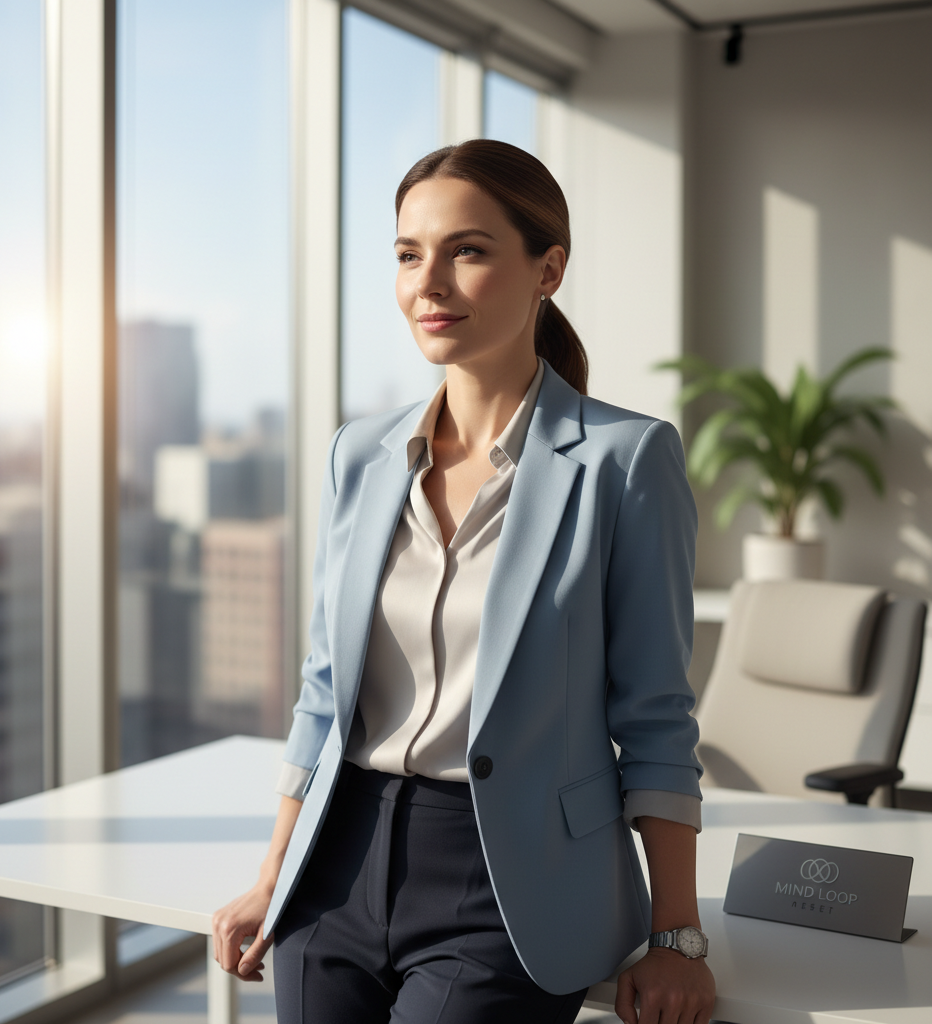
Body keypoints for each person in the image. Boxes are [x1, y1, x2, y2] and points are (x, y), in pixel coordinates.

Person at [213, 139, 715, 1024]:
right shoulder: (359, 455)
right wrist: (273, 874)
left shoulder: (625, 461)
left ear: (547, 268)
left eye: (468, 250)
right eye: (409, 255)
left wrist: (677, 936)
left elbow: (655, 716)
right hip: (337, 860)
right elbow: (326, 693)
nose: (429, 282)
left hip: (507, 884)